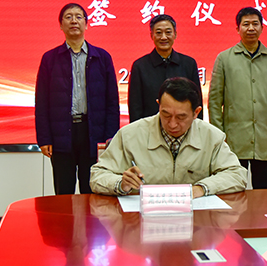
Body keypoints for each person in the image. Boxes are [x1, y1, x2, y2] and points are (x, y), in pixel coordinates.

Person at [90, 77, 247, 197]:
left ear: (196, 112)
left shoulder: (211, 137)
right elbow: (97, 176)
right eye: (165, 114)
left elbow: (237, 175)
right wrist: (121, 184)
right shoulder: (130, 135)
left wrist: (201, 188)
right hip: (141, 220)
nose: (172, 124)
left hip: (196, 221)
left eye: (181, 117)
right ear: (159, 105)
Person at [36, 3, 120, 195]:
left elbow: (112, 102)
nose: (74, 20)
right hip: (61, 133)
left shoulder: (102, 57)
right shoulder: (50, 59)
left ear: (86, 24)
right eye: (68, 17)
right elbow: (42, 102)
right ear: (61, 25)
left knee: (92, 190)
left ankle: (90, 218)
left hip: (93, 133)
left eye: (78, 16)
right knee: (63, 191)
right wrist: (44, 138)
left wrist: (111, 136)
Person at [208, 7, 267, 189]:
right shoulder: (224, 59)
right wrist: (219, 137)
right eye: (246, 24)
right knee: (234, 188)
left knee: (263, 188)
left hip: (265, 139)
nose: (251, 28)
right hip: (234, 140)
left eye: (255, 24)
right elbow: (214, 102)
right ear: (238, 28)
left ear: (262, 27)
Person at [128, 14, 202, 122]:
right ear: (151, 35)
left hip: (183, 126)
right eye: (158, 33)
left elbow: (197, 102)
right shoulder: (140, 66)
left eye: (168, 32)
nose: (163, 37)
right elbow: (135, 106)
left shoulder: (189, 64)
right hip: (150, 128)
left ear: (175, 34)